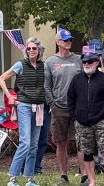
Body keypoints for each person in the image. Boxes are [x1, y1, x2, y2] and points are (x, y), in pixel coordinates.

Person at [0, 36, 48, 186]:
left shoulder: (44, 66)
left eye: (34, 48)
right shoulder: (20, 65)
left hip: (39, 107)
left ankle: (30, 179)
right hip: (24, 106)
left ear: (39, 50)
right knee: (25, 143)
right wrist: (9, 96)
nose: (31, 50)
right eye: (29, 48)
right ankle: (12, 178)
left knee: (34, 145)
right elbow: (1, 78)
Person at [67, 52, 104, 186]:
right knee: (87, 153)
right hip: (82, 123)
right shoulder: (77, 80)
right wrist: (75, 117)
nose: (86, 64)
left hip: (101, 121)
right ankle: (92, 181)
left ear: (97, 63)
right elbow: (70, 99)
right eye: (84, 62)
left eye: (90, 62)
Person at [44, 28, 81, 186]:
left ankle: (85, 176)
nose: (69, 42)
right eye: (66, 40)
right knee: (61, 142)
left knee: (81, 142)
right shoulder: (50, 62)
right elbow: (46, 86)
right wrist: (52, 104)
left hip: (78, 107)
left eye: (70, 40)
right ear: (58, 42)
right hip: (59, 107)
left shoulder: (79, 59)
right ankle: (63, 176)